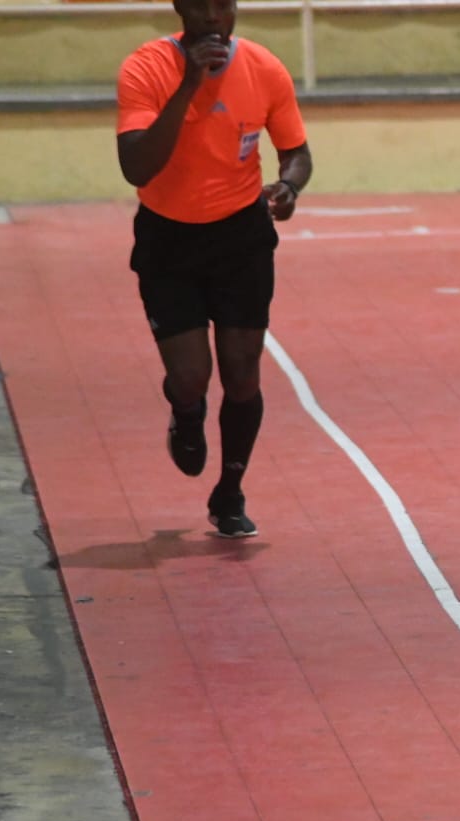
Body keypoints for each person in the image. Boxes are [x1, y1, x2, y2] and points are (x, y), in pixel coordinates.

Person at [116, 0, 312, 537]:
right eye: (200, 8)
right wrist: (188, 85)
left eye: (222, 6)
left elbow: (297, 151)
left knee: (242, 371)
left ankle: (230, 491)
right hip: (168, 239)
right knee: (190, 376)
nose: (213, 19)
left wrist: (289, 185)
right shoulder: (146, 67)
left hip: (240, 237)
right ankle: (186, 411)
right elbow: (136, 165)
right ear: (182, 9)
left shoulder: (265, 68)